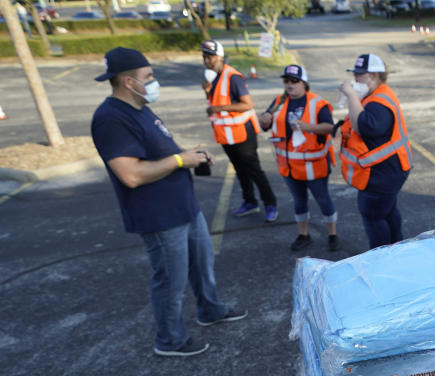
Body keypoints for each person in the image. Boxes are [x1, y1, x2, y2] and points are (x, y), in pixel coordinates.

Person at [90, 47, 246, 357]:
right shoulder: (110, 119)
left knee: (202, 266)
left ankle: (210, 309)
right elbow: (131, 174)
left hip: (183, 207)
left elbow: (161, 151)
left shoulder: (141, 108)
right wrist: (179, 159)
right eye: (148, 77)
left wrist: (192, 156)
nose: (153, 81)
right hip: (159, 217)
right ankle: (170, 339)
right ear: (127, 82)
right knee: (171, 281)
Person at [258, 64, 341, 252]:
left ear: (304, 83)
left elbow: (331, 127)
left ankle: (332, 234)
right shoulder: (279, 101)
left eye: (294, 81)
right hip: (288, 166)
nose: (289, 85)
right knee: (299, 201)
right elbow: (266, 123)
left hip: (314, 166)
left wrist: (307, 127)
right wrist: (263, 120)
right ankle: (303, 235)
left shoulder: (317, 103)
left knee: (323, 200)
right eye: (286, 81)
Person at [337, 53, 412, 249]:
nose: (355, 79)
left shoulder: (378, 102)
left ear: (373, 76)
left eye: (359, 75)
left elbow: (365, 126)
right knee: (387, 211)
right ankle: (397, 247)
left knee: (373, 216)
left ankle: (381, 258)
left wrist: (351, 95)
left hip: (382, 175)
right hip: (390, 170)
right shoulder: (377, 94)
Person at [200, 40, 278, 222]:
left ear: (220, 58)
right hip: (227, 134)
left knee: (253, 169)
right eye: (204, 57)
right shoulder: (213, 78)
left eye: (210, 57)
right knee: (240, 170)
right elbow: (216, 102)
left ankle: (270, 203)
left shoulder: (232, 77)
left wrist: (217, 109)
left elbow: (247, 104)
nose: (206, 61)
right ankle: (250, 202)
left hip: (243, 133)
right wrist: (207, 92)